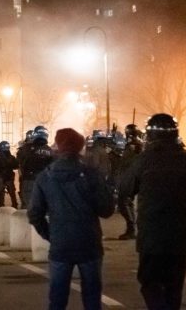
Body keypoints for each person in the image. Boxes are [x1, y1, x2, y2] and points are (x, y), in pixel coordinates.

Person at [120, 114, 186, 310]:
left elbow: (125, 189)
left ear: (149, 135)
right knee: (174, 287)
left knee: (150, 283)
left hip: (151, 233)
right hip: (179, 233)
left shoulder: (143, 160)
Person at [28, 128, 115, 310]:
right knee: (92, 298)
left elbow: (35, 213)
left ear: (58, 147)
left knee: (57, 299)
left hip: (60, 244)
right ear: (80, 147)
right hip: (89, 242)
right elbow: (106, 210)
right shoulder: (91, 174)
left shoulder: (46, 176)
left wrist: (50, 234)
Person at [18, 126, 54, 209]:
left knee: (28, 209)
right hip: (45, 182)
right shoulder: (50, 151)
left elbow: (18, 162)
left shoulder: (26, 148)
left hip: (29, 180)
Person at [0, 141, 19, 208]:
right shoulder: (12, 157)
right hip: (9, 177)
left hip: (1, 177)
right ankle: (15, 205)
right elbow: (16, 166)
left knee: (1, 193)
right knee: (12, 193)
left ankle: (1, 206)